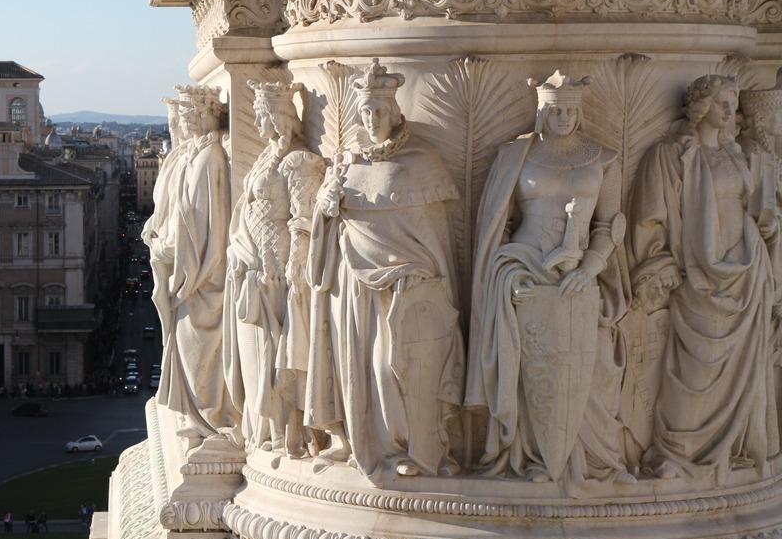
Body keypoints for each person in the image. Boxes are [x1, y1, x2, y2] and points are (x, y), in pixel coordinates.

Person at [468, 71, 632, 484]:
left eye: (570, 109)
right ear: (542, 110)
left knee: (587, 371)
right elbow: (498, 226)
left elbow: (610, 223)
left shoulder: (603, 157)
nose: (562, 117)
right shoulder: (515, 156)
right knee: (529, 370)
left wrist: (592, 266)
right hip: (525, 271)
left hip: (580, 275)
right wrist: (507, 276)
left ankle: (589, 459)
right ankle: (530, 457)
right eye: (554, 109)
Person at [307, 60, 465, 482]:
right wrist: (325, 210)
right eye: (365, 112)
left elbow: (433, 238)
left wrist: (423, 273)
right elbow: (326, 225)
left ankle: (408, 447)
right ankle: (363, 444)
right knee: (356, 368)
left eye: (379, 110)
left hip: (404, 290)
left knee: (390, 367)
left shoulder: (421, 161)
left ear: (395, 113)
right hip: (353, 285)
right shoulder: (346, 162)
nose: (371, 119)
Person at [629, 74, 779, 481]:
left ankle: (726, 449)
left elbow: (751, 208)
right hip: (698, 274)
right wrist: (657, 261)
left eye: (733, 102)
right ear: (699, 106)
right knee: (693, 370)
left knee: (738, 370)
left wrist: (767, 223)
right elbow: (650, 215)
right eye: (721, 102)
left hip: (745, 274)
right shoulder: (674, 153)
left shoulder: (735, 155)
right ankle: (674, 453)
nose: (730, 110)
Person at [224, 80, 324, 456]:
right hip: (252, 272)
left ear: (279, 116)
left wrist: (293, 271)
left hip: (278, 277)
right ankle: (265, 432)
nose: (258, 121)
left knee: (280, 355)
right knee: (256, 360)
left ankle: (288, 435)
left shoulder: (298, 161)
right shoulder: (268, 156)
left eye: (263, 114)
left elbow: (304, 221)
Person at [157, 85, 236, 443]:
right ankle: (201, 414)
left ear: (205, 116)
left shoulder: (209, 159)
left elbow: (201, 225)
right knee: (190, 343)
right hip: (194, 270)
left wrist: (168, 250)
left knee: (196, 343)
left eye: (188, 117)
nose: (182, 124)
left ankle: (208, 417)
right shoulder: (197, 155)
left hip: (202, 274)